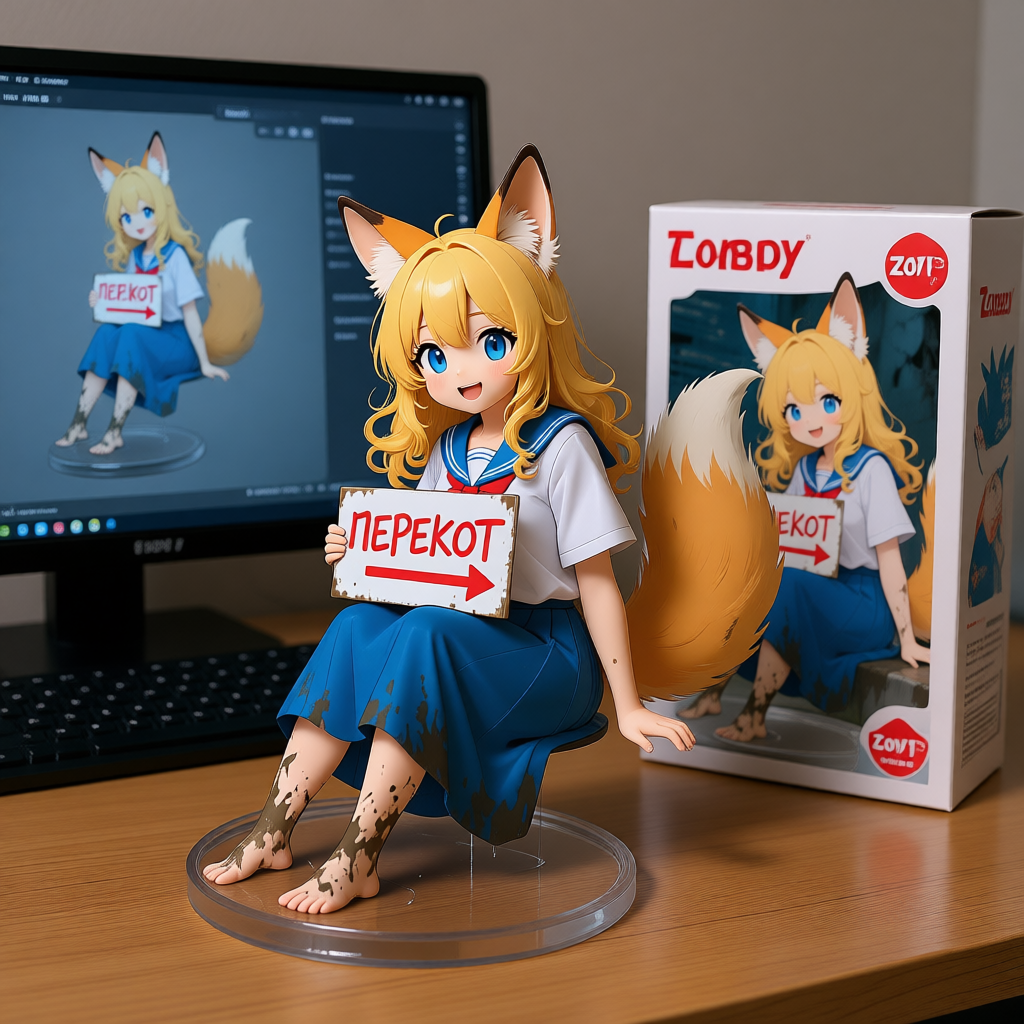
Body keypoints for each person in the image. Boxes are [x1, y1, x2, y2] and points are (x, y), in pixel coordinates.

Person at [202, 146, 694, 915]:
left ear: (530, 326)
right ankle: (275, 828)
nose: (462, 370)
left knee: (425, 634)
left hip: (546, 652)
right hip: (463, 633)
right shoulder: (449, 449)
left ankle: (359, 855)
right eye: (434, 352)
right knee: (359, 626)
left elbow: (598, 582)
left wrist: (627, 703)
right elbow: (424, 563)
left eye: (490, 341)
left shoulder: (561, 445)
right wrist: (361, 554)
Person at [681, 274, 931, 739]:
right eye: (794, 410)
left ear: (852, 391)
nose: (810, 420)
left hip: (864, 603)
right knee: (762, 580)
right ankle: (714, 689)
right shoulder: (805, 470)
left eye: (827, 400)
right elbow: (791, 544)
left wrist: (906, 637)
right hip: (813, 589)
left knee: (788, 585)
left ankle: (755, 714)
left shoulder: (871, 469)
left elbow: (890, 559)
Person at [55, 133, 231, 456]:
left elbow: (190, 312)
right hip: (144, 335)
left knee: (131, 335)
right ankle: (79, 423)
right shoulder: (136, 258)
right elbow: (128, 305)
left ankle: (114, 432)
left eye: (146, 211)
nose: (137, 223)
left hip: (176, 341)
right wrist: (102, 303)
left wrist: (205, 362)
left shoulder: (175, 257)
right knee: (107, 333)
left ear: (161, 206)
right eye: (127, 216)